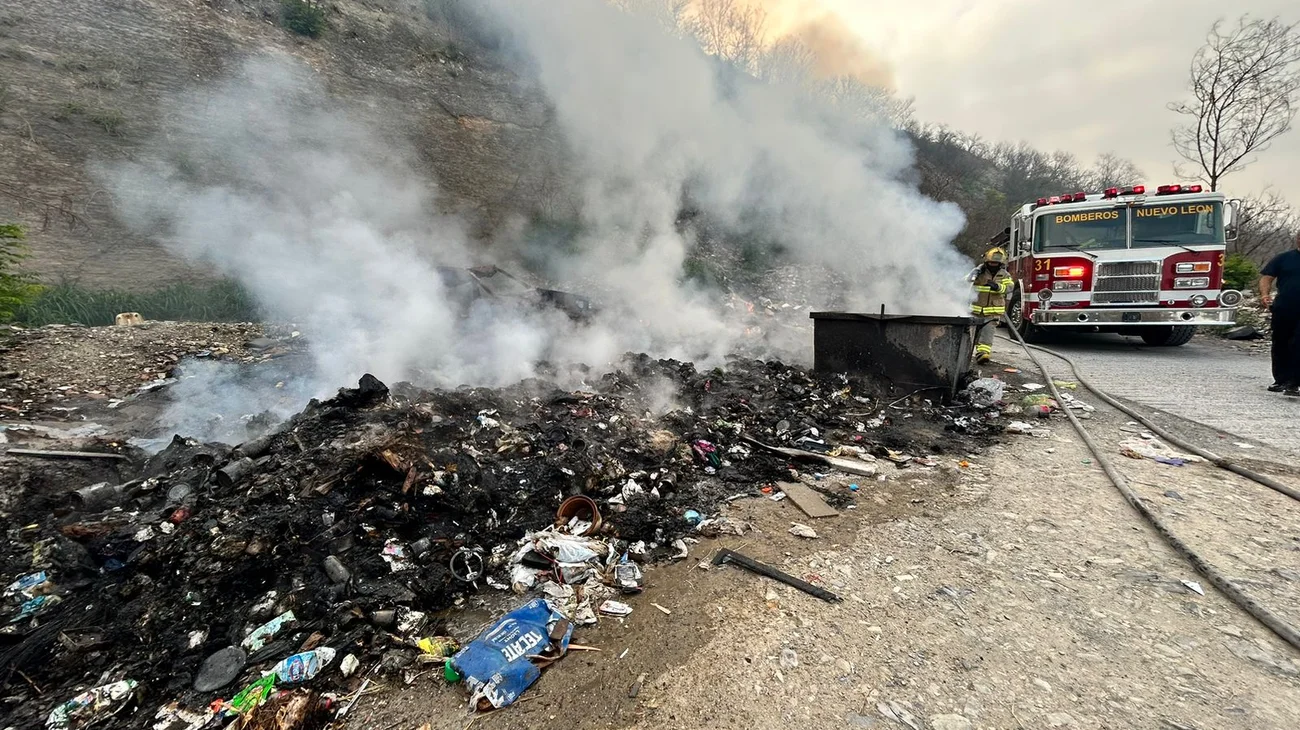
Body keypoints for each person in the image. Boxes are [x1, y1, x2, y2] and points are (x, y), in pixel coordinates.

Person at [1260, 232, 1300, 397]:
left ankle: (1294, 382)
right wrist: (1264, 294)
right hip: (1284, 307)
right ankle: (1280, 380)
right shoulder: (1284, 258)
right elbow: (1266, 277)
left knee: (1298, 343)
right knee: (1280, 343)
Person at [969, 247, 1015, 364]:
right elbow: (964, 282)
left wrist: (998, 287)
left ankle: (982, 355)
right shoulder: (978, 272)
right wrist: (972, 275)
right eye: (991, 263)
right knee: (971, 335)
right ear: (986, 261)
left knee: (987, 334)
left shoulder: (1004, 275)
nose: (993, 265)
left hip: (993, 312)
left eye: (995, 263)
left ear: (1000, 263)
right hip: (975, 310)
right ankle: (967, 353)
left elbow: (1010, 287)